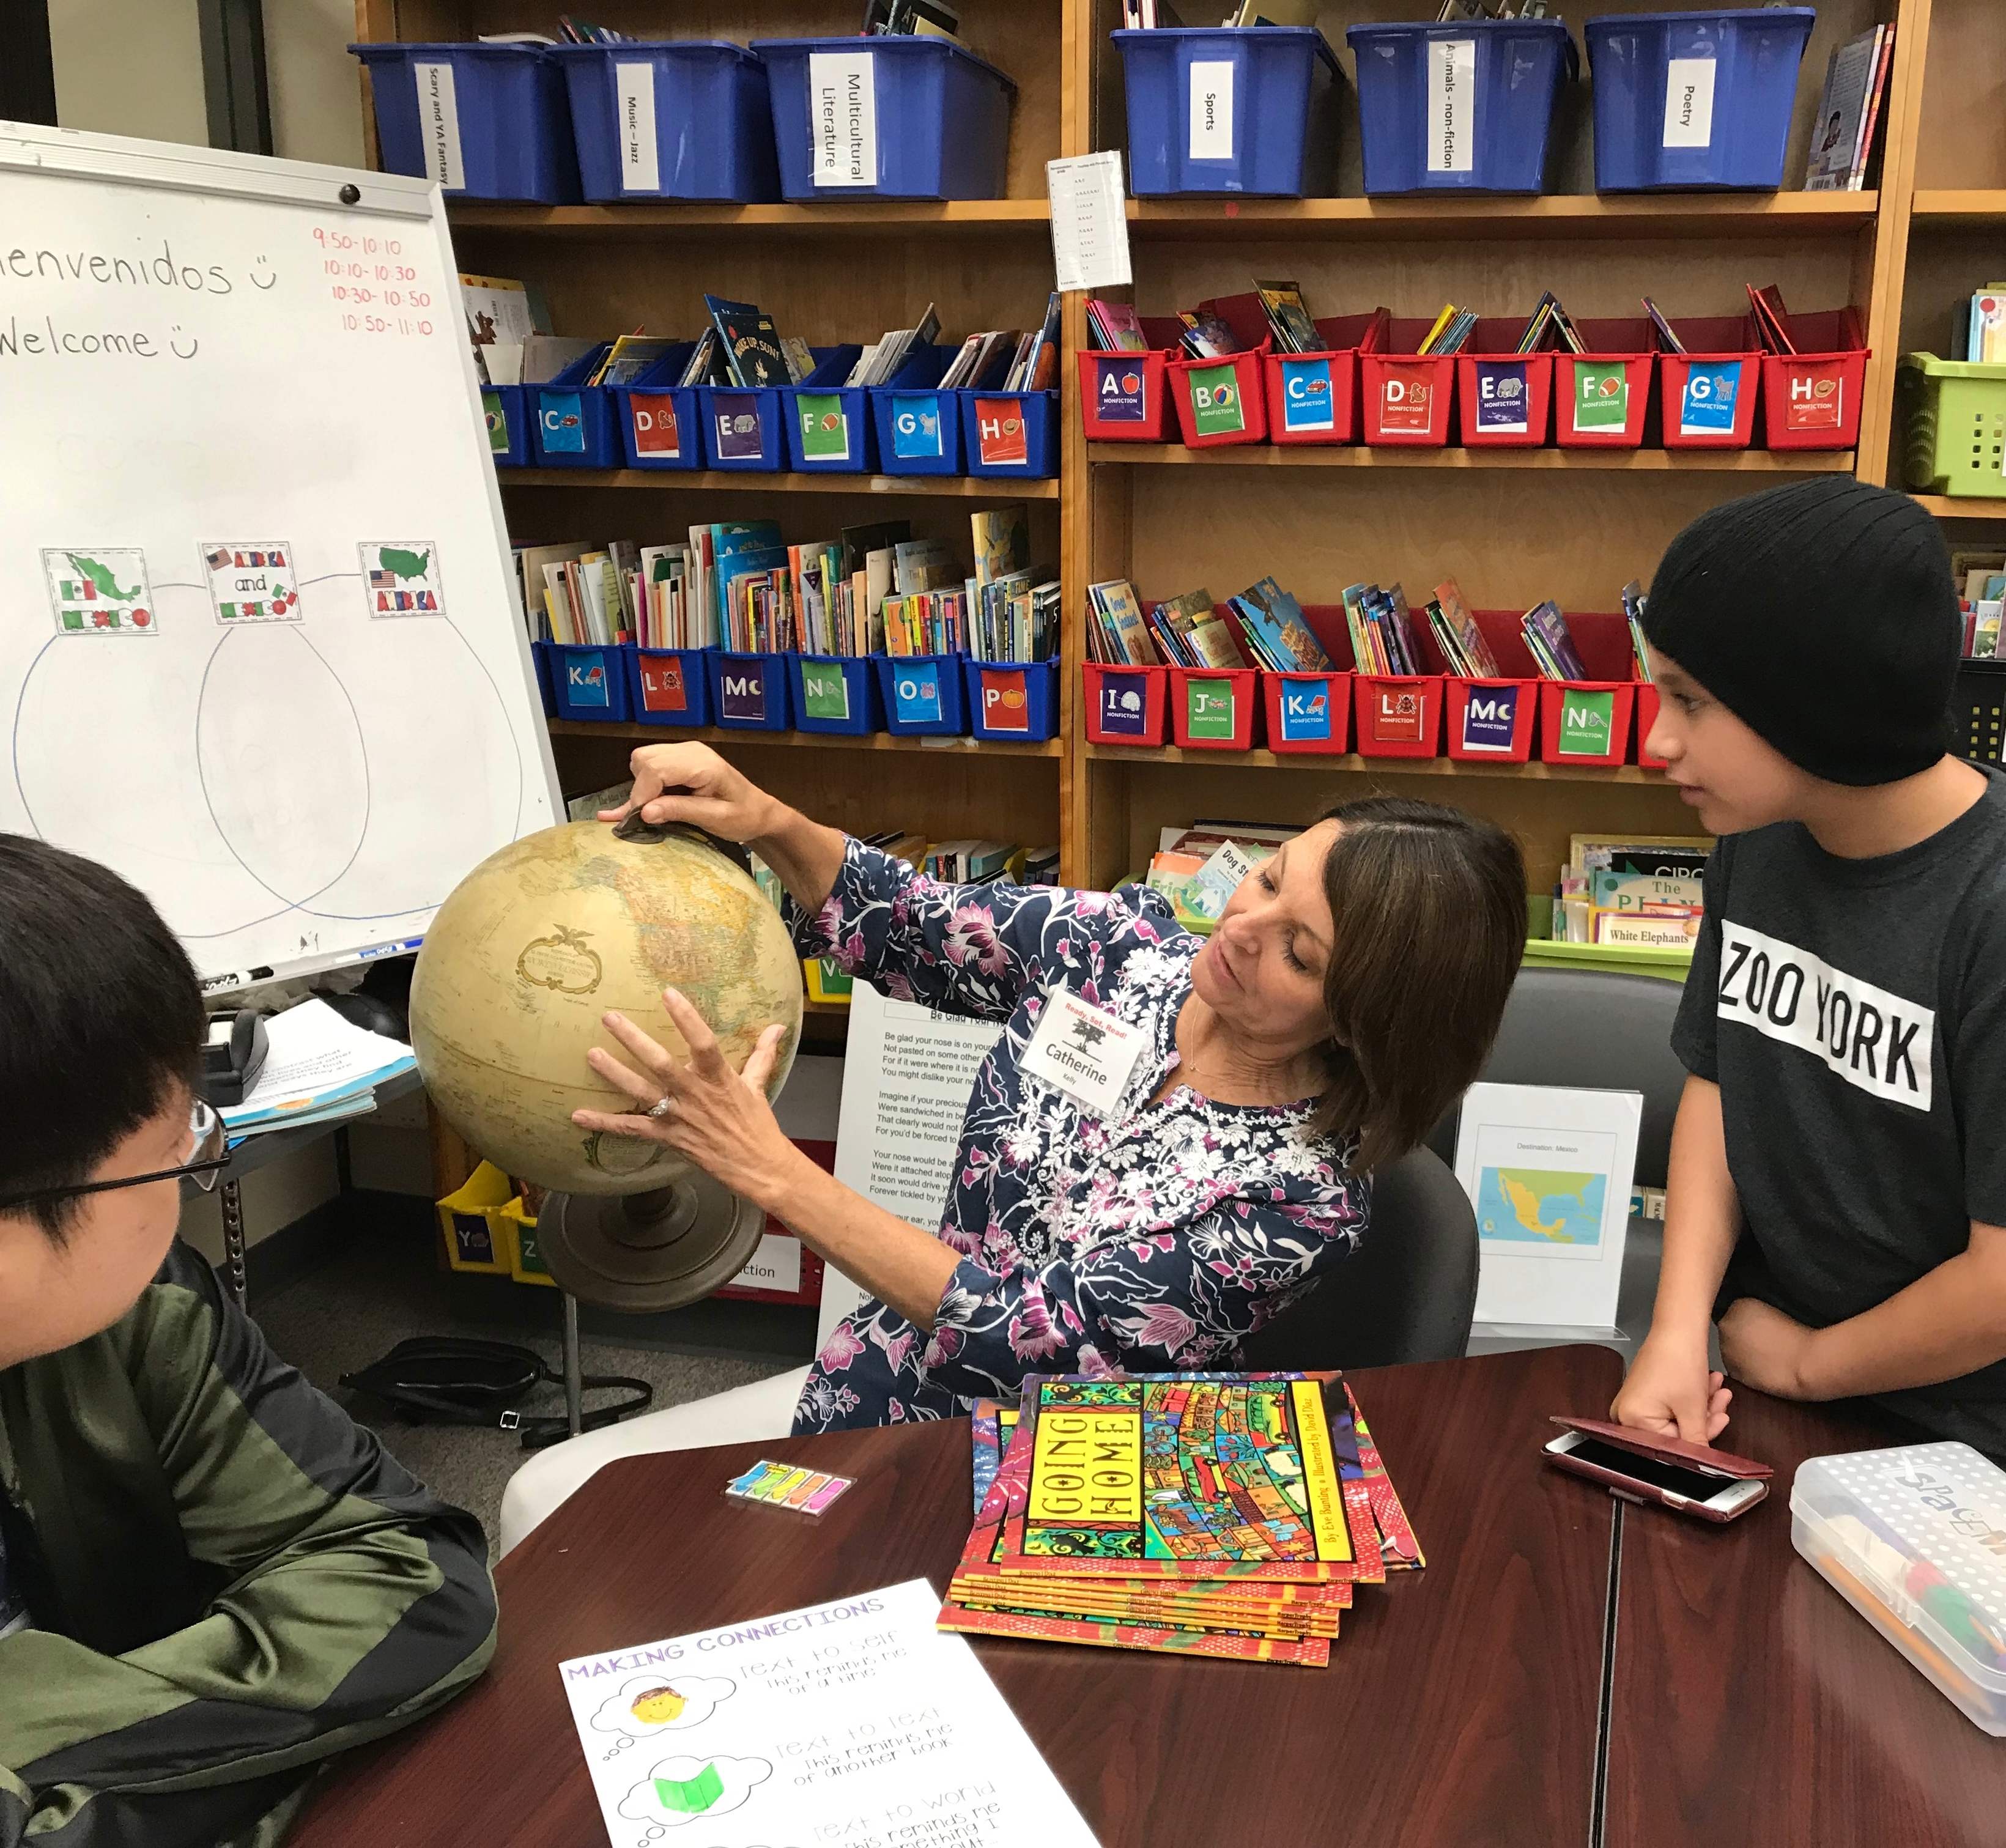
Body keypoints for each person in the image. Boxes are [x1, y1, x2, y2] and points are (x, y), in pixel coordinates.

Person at [576, 742, 1527, 1433]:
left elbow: (1028, 1335)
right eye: (1270, 879)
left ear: (1362, 1021)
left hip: (1059, 1478)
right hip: (880, 1384)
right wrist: (765, 817)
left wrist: (772, 1170)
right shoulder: (1120, 951)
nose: (1241, 927)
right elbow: (908, 921)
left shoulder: (1302, 1202)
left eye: (1300, 952)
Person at [0, 837, 497, 1848]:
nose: (195, 1173)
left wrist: (46, 1744)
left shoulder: (136, 1313)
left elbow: (411, 1576)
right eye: (173, 1152)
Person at [1613, 476, 2006, 1459]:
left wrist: (1808, 1364)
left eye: (1690, 701)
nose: (1658, 739)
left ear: (1818, 706)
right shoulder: (1760, 834)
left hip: (1957, 1435)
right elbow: (1721, 1080)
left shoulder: (1990, 910)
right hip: (1758, 1369)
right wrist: (1676, 1328)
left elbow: (2001, 1281)